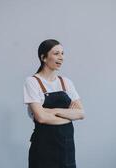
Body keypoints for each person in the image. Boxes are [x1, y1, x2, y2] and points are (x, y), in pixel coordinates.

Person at [23, 39, 85, 168]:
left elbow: (81, 113)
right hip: (43, 149)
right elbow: (41, 117)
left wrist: (53, 111)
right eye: (56, 53)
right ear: (44, 57)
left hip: (67, 148)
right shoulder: (32, 82)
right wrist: (69, 116)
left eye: (62, 53)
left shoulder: (66, 82)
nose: (61, 58)